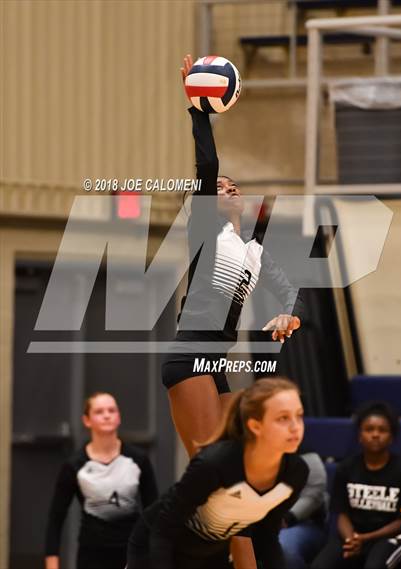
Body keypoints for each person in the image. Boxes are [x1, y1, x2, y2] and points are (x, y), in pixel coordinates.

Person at [164, 54, 304, 458]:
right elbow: (207, 164)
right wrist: (198, 108)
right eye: (217, 188)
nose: (225, 189)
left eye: (232, 187)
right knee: (208, 466)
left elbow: (290, 289)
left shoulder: (254, 251)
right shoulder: (207, 231)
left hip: (215, 363)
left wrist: (288, 314)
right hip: (190, 356)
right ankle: (168, 524)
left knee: (242, 452)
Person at [127, 378, 309, 569]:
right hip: (157, 544)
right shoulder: (215, 463)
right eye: (283, 418)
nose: (295, 427)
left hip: (211, 553)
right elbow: (164, 529)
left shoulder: (295, 474)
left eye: (299, 415)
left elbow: (267, 537)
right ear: (255, 426)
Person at [45, 392, 158, 569]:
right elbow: (56, 518)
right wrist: (52, 564)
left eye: (112, 410)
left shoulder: (138, 460)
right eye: (99, 411)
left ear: (119, 417)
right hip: (92, 554)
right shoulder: (74, 466)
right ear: (87, 420)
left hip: (132, 552)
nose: (106, 415)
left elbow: (154, 511)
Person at [311, 401, 401, 569]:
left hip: (387, 538)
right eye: (369, 429)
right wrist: (351, 539)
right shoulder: (346, 467)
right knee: (320, 566)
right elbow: (341, 513)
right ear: (360, 435)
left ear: (391, 437)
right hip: (351, 535)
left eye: (382, 430)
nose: (375, 434)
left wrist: (366, 538)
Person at [278, 451, 328, 568]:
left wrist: (287, 518)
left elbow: (313, 496)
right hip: (259, 523)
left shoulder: (308, 457)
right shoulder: (249, 455)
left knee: (283, 548)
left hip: (301, 523)